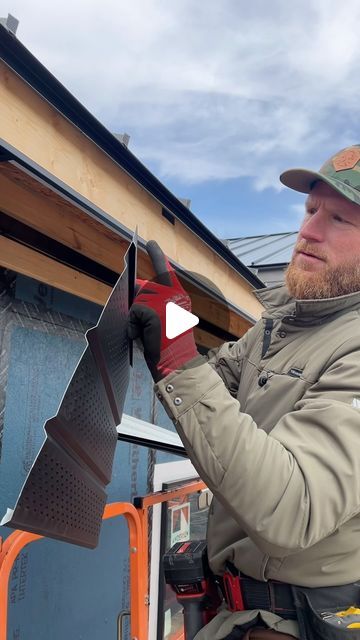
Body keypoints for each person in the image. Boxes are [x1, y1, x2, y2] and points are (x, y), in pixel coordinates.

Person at [128, 145, 360, 640]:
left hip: (297, 623)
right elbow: (212, 386)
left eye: (340, 219)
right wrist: (174, 329)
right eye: (311, 210)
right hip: (237, 610)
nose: (309, 231)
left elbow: (292, 508)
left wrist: (179, 360)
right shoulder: (282, 326)